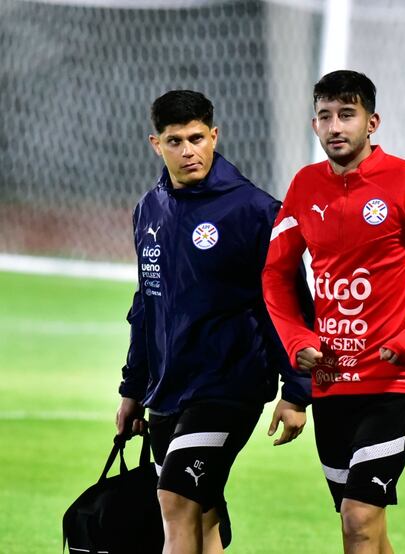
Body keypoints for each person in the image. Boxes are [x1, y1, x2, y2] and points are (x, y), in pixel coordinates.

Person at [262, 70, 405, 553]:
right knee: (364, 526)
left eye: (347, 115)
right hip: (331, 380)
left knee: (358, 517)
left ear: (371, 122)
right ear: (313, 124)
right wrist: (297, 340)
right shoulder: (304, 186)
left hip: (391, 384)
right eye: (325, 116)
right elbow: (274, 274)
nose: (335, 126)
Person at [115, 90, 312, 554]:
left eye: (197, 138)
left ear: (214, 135)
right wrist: (131, 389)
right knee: (203, 517)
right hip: (167, 389)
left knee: (176, 500)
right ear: (155, 144)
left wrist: (297, 391)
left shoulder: (255, 211)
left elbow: (288, 306)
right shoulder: (149, 211)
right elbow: (147, 305)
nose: (189, 151)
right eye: (175, 141)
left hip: (230, 386)